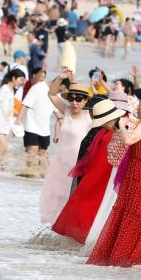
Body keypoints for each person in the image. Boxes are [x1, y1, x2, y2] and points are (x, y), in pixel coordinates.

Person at [86, 87, 141, 267]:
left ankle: (124, 258)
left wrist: (122, 126)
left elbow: (129, 141)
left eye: (140, 102)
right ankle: (140, 258)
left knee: (130, 216)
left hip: (140, 175)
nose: (137, 105)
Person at [52, 98, 126, 245]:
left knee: (88, 207)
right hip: (100, 175)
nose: (102, 124)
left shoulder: (110, 132)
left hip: (103, 176)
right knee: (89, 207)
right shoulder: (106, 132)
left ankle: (82, 240)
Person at [38, 78, 92, 224]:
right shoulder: (66, 110)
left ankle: (69, 227)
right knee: (58, 198)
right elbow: (52, 94)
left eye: (79, 98)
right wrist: (61, 77)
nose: (75, 102)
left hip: (77, 165)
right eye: (72, 98)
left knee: (72, 198)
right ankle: (57, 229)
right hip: (61, 164)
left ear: (86, 100)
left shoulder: (90, 117)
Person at [15, 66, 57, 170]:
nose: (42, 79)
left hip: (41, 127)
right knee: (31, 151)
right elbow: (24, 104)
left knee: (41, 153)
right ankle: (29, 172)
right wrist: (18, 120)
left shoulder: (47, 90)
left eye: (44, 77)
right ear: (34, 76)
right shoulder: (31, 86)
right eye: (40, 76)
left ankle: (41, 175)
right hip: (29, 123)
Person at [0, 68, 27, 166]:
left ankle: (0, 168)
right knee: (3, 148)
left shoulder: (11, 90)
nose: (22, 82)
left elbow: (9, 107)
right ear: (13, 78)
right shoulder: (5, 88)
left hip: (4, 123)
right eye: (20, 79)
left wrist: (15, 120)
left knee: (4, 149)